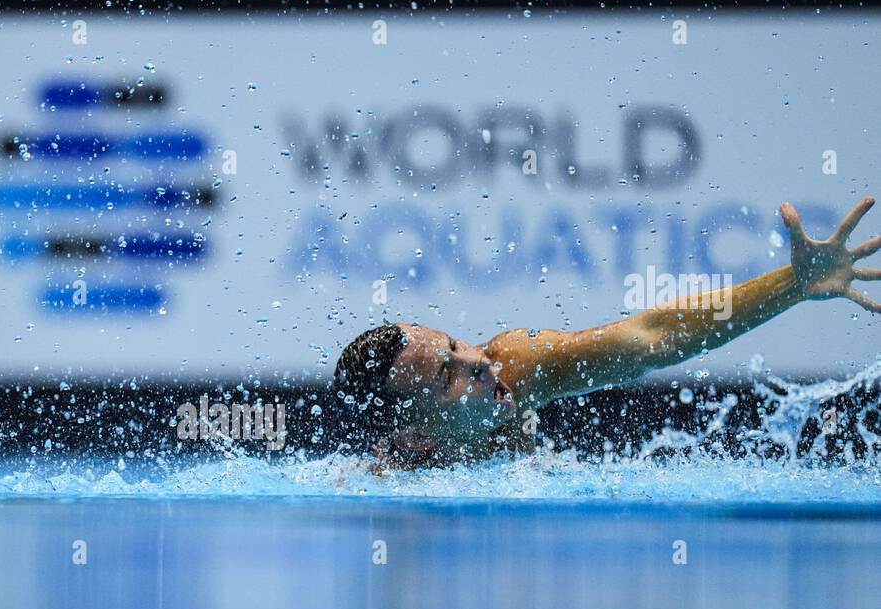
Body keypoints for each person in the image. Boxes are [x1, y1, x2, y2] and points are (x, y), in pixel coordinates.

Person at [332, 197, 881, 465]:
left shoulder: (517, 365)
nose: (476, 360)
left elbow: (655, 335)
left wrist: (794, 284)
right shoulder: (391, 485)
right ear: (416, 433)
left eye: (454, 344)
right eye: (445, 374)